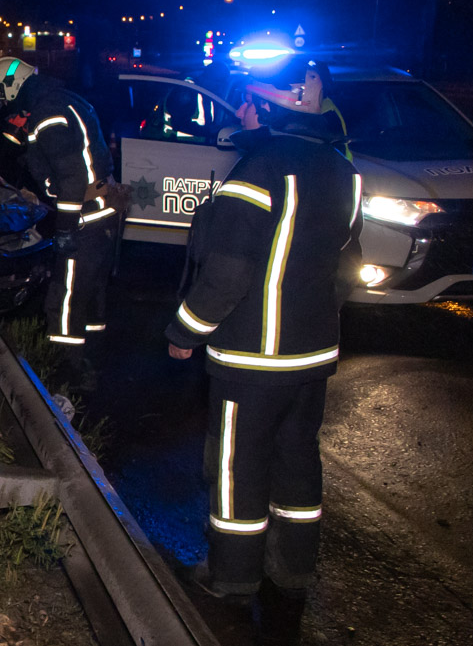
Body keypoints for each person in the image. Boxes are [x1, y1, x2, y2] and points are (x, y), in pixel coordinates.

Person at [164, 59, 363, 603]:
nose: (243, 109)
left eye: (251, 100)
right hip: (312, 357)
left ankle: (232, 575)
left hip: (251, 360)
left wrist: (185, 330)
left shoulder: (259, 169)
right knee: (297, 458)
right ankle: (293, 569)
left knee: (237, 467)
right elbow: (349, 267)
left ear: (276, 107)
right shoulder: (343, 171)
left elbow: (228, 271)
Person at [0, 56, 120, 386]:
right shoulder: (61, 100)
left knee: (64, 300)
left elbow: (71, 178)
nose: (7, 111)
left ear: (11, 88)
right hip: (104, 213)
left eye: (5, 103)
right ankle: (91, 364)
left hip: (85, 219)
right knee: (90, 296)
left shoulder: (48, 114)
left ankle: (67, 375)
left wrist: (66, 229)